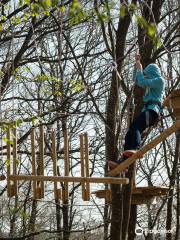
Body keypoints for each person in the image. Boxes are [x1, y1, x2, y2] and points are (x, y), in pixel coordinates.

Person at [109, 54, 165, 170]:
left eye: (147, 75)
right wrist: (136, 65)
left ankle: (135, 149)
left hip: (153, 111)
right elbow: (137, 80)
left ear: (152, 74)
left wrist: (140, 69)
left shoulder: (159, 81)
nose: (146, 77)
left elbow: (143, 81)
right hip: (148, 110)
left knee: (136, 127)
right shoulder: (150, 82)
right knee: (130, 132)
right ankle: (124, 162)